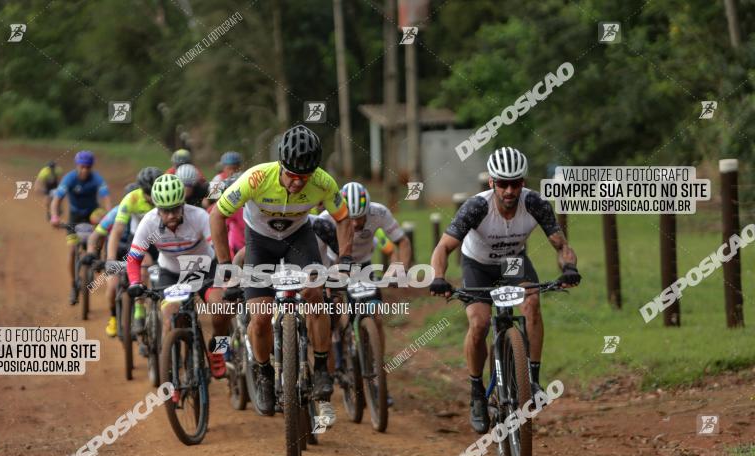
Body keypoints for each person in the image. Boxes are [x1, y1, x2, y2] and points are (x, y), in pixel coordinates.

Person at [429, 146, 581, 434]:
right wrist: (438, 276)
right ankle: (476, 393)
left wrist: (569, 268)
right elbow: (443, 247)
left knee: (532, 302)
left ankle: (532, 380)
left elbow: (561, 246)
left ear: (523, 183)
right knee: (480, 322)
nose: (509, 191)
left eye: (516, 183)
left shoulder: (535, 203)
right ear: (492, 183)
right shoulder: (476, 207)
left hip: (513, 263)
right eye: (503, 184)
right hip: (478, 264)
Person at [208, 124, 353, 426]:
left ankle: (323, 368)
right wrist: (225, 264)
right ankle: (263, 373)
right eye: (293, 176)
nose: (299, 183)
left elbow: (343, 218)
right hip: (259, 243)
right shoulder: (256, 178)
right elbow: (217, 215)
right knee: (259, 317)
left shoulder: (324, 182)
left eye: (306, 177)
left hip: (298, 238)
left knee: (315, 294)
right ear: (281, 166)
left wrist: (345, 258)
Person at [126, 174, 229, 378]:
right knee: (170, 317)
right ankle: (170, 372)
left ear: (183, 204)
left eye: (175, 208)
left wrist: (226, 277)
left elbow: (217, 247)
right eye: (165, 210)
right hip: (171, 273)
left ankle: (218, 350)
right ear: (157, 208)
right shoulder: (149, 223)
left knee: (222, 310)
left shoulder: (199, 216)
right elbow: (133, 258)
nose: (171, 215)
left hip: (203, 267)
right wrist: (135, 282)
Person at [312, 181, 412, 374]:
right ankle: (339, 351)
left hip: (363, 267)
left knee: (376, 317)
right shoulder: (326, 217)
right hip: (335, 265)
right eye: (351, 218)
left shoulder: (380, 213)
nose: (356, 223)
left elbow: (402, 242)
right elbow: (317, 252)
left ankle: (377, 369)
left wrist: (400, 269)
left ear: (369, 209)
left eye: (361, 217)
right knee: (336, 313)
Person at [84, 167, 161, 336]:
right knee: (111, 287)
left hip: (152, 243)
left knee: (149, 270)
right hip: (122, 248)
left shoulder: (161, 200)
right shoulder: (118, 210)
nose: (150, 199)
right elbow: (111, 233)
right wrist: (107, 258)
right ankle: (113, 317)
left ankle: (146, 310)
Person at [50, 151, 110, 305]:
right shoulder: (69, 179)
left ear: (91, 167)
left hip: (92, 215)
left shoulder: (97, 179)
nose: (84, 170)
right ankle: (73, 285)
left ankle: (97, 253)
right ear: (77, 166)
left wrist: (108, 215)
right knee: (71, 251)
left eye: (88, 167)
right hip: (74, 217)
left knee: (103, 226)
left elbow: (106, 199)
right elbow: (56, 200)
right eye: (82, 167)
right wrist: (55, 217)